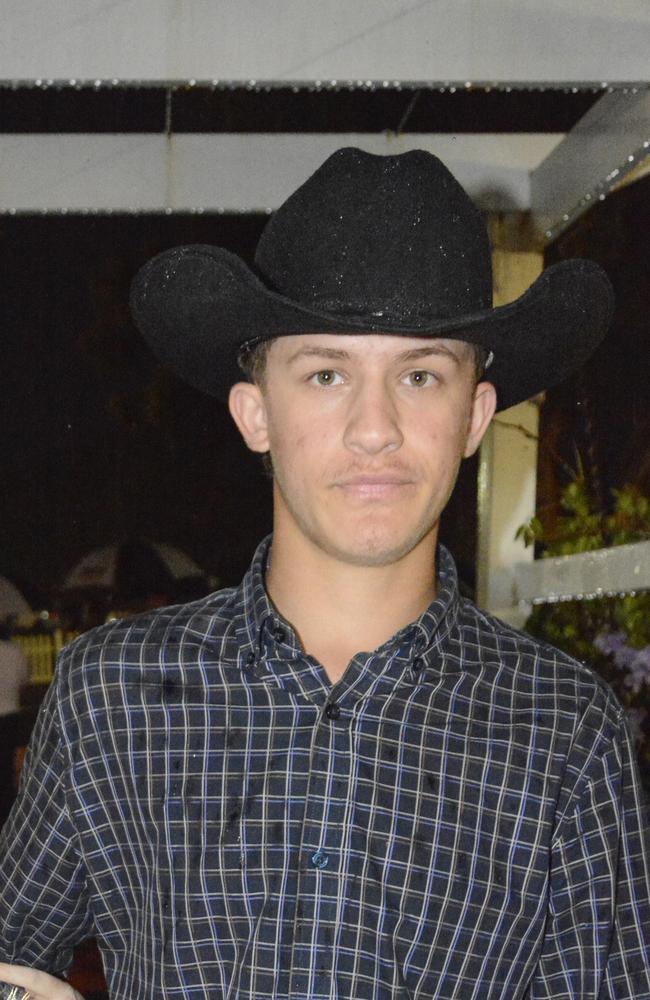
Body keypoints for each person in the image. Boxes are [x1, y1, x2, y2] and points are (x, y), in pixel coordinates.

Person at [0, 148, 648, 1000]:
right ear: (255, 411)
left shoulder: (568, 734)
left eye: (419, 375)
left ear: (474, 414)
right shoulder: (111, 693)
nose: (374, 426)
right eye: (326, 373)